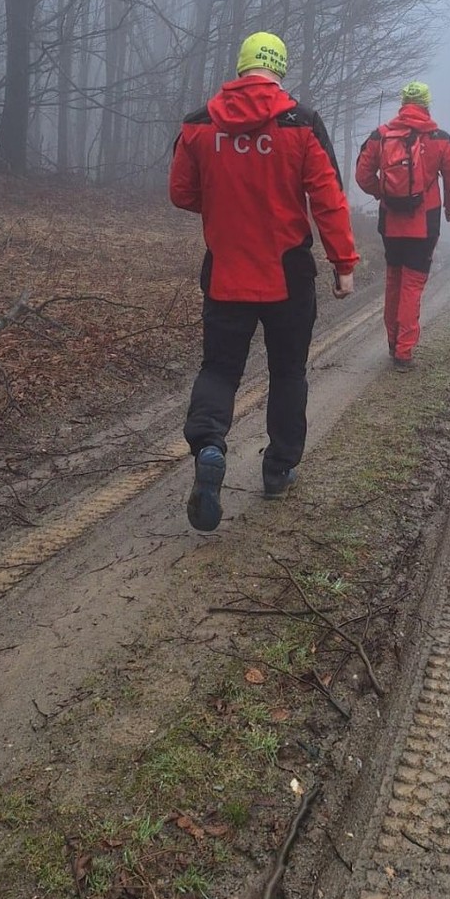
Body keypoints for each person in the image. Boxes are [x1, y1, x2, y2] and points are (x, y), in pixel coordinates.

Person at [170, 32, 359, 531]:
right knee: (288, 371)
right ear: (280, 68)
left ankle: (210, 444)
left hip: (227, 268)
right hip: (287, 275)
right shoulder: (301, 123)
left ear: (241, 67)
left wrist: (227, 204)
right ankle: (278, 469)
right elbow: (328, 199)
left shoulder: (199, 124)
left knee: (220, 369)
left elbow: (181, 192)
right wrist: (343, 263)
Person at [355, 80, 450, 370]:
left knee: (393, 279)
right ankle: (404, 350)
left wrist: (382, 193)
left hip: (390, 222)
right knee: (412, 284)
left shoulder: (381, 135)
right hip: (424, 224)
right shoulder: (440, 139)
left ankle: (393, 342)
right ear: (426, 104)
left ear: (403, 103)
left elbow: (363, 175)